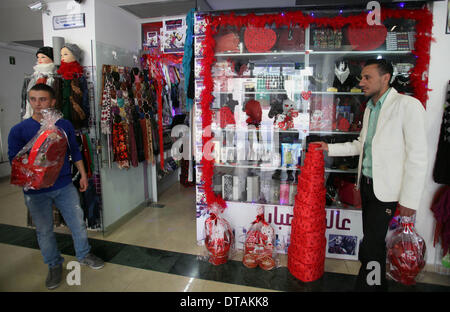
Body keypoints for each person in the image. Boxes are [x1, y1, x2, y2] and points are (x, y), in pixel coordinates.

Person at [314, 59, 427, 291]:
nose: (361, 82)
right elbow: (360, 145)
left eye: (367, 77)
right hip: (366, 186)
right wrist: (329, 148)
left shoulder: (408, 105)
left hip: (386, 191)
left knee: (372, 246)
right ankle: (374, 286)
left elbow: (418, 157)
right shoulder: (371, 109)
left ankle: (368, 287)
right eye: (361, 77)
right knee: (371, 244)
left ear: (386, 78)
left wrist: (409, 200)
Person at [8, 83, 104, 290]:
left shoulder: (63, 125)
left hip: (63, 184)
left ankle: (84, 254)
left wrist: (84, 175)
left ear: (52, 101)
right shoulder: (19, 130)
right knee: (44, 230)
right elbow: (14, 161)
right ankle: (53, 265)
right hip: (36, 191)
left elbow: (75, 152)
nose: (37, 104)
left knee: (77, 221)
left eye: (42, 99)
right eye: (33, 99)